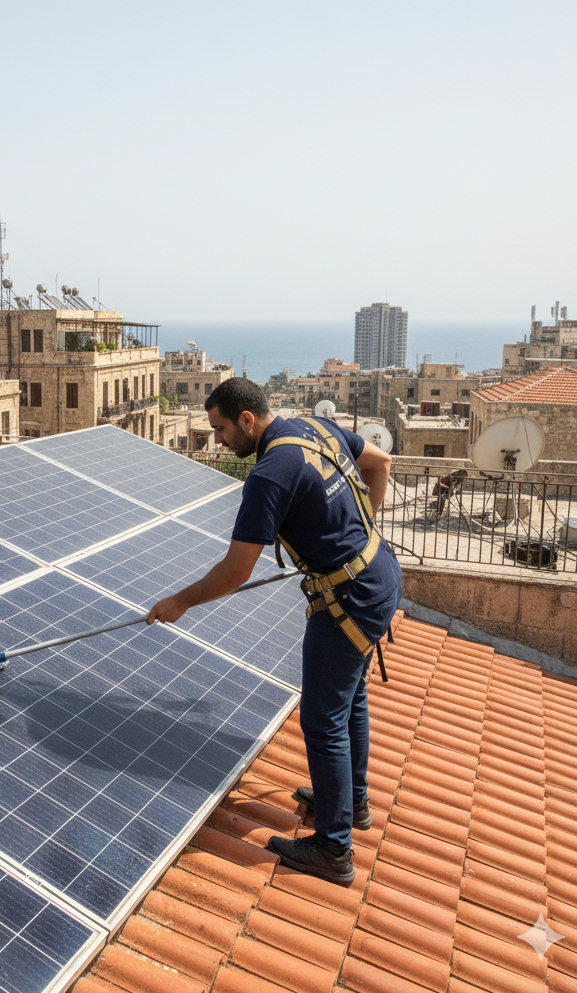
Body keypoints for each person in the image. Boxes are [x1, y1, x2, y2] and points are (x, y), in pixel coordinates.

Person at [147, 378, 402, 884]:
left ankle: (334, 848)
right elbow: (381, 463)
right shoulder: (315, 426)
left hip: (348, 601)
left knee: (322, 721)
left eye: (221, 429)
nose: (218, 440)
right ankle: (352, 802)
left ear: (247, 420)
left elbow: (236, 570)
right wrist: (357, 533)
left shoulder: (269, 474)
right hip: (379, 575)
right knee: (349, 699)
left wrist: (180, 602)